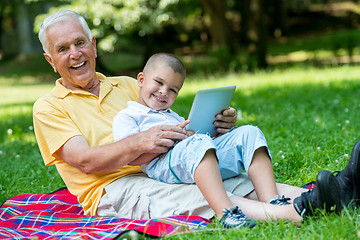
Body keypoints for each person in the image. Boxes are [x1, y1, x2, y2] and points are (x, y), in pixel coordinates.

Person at [33, 9, 360, 228]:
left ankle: (339, 190)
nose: (75, 54)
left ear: (93, 45)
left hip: (165, 165)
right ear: (50, 60)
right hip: (114, 188)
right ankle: (297, 212)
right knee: (204, 195)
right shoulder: (48, 108)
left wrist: (213, 126)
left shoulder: (129, 84)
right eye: (63, 49)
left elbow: (169, 121)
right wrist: (141, 142)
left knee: (231, 181)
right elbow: (86, 162)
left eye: (80, 43)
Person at [112, 52, 291, 228]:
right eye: (159, 82)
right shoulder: (128, 116)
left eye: (173, 90)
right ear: (141, 80)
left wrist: (216, 129)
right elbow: (130, 158)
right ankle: (226, 213)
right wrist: (174, 142)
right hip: (161, 168)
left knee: (249, 133)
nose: (163, 92)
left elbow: (198, 144)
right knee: (197, 142)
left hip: (194, 159)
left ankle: (272, 201)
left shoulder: (173, 116)